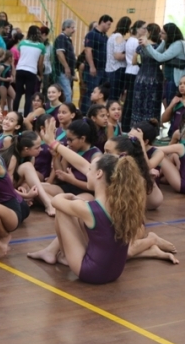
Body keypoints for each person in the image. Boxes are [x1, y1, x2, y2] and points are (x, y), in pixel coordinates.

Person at [28, 121, 145, 284]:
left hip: (92, 273)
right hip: (115, 273)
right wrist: (53, 143)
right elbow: (83, 164)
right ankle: (57, 253)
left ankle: (63, 255)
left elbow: (56, 201)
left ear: (98, 174)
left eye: (90, 170)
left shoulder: (89, 208)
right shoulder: (123, 199)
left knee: (64, 210)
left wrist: (70, 197)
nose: (86, 170)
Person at [141, 22, 185, 106]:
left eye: (163, 33)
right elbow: (154, 54)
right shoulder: (166, 42)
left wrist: (148, 45)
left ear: (170, 34)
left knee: (173, 105)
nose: (160, 34)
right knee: (168, 103)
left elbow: (160, 58)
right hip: (168, 80)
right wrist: (144, 46)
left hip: (176, 81)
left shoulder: (178, 44)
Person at [131, 23, 164, 126]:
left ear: (148, 32)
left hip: (141, 76)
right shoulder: (159, 46)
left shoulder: (141, 46)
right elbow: (162, 62)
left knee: (138, 103)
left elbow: (133, 62)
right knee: (153, 104)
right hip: (156, 77)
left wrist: (143, 63)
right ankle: (152, 128)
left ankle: (137, 126)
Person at [81, 14, 113, 113]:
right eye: (108, 24)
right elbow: (88, 51)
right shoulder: (91, 34)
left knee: (101, 93)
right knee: (91, 92)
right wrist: (92, 66)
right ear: (102, 22)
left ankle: (97, 113)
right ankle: (85, 114)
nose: (109, 27)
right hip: (94, 70)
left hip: (103, 69)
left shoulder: (105, 36)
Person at [13, 25, 45, 115]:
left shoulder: (22, 43)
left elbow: (21, 55)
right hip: (31, 71)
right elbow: (40, 64)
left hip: (20, 69)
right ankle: (26, 116)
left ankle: (14, 114)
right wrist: (41, 75)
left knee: (18, 94)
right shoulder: (41, 46)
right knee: (28, 95)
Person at [122, 21, 146, 132]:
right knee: (131, 100)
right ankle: (127, 125)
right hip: (134, 72)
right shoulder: (136, 41)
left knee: (129, 100)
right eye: (144, 28)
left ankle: (125, 124)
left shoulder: (130, 40)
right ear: (137, 29)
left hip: (129, 71)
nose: (145, 30)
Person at [54, 19, 76, 103]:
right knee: (67, 92)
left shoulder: (67, 39)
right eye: (72, 28)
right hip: (62, 71)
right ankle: (67, 111)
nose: (74, 30)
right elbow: (59, 53)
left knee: (66, 92)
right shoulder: (61, 38)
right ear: (66, 28)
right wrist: (66, 67)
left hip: (67, 71)